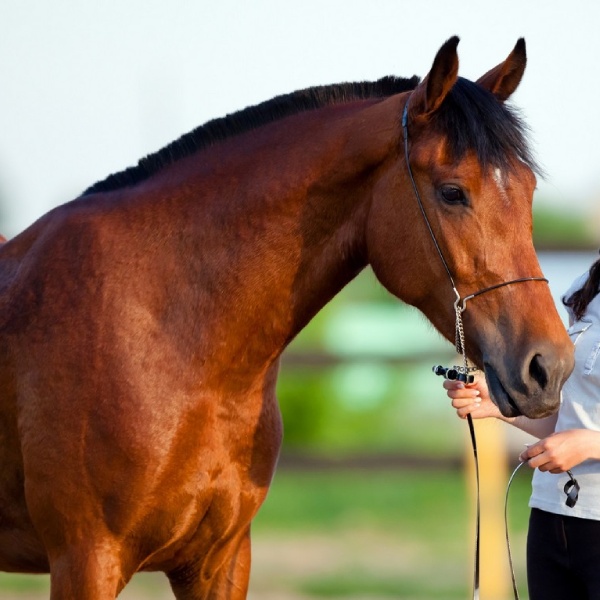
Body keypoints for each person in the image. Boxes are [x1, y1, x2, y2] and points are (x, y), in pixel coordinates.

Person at [444, 254, 600, 599]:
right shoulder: (586, 290)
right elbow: (568, 421)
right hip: (551, 516)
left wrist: (590, 446)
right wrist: (501, 406)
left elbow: (584, 436)